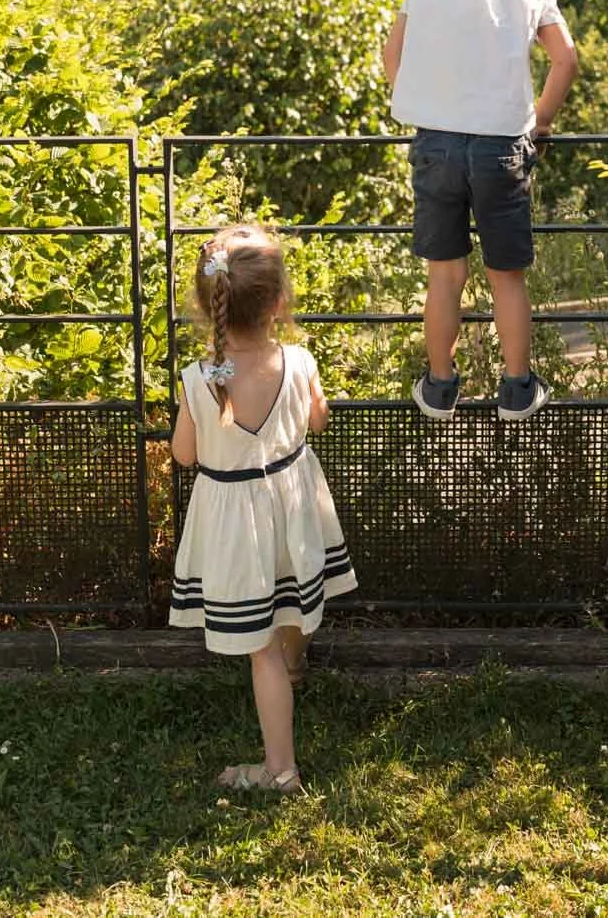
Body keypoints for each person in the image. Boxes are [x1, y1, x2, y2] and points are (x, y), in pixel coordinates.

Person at [169, 224, 355, 794]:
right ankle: (294, 668)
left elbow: (183, 455)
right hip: (292, 510)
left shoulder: (205, 377)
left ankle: (280, 771)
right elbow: (317, 420)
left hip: (235, 525)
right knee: (294, 595)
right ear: (279, 302)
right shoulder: (298, 362)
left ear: (209, 305)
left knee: (262, 653)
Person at [381, 0, 580, 422]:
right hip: (502, 147)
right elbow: (566, 58)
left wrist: (424, 103)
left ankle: (440, 387)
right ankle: (517, 389)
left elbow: (391, 56)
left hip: (437, 143)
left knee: (444, 276)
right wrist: (541, 119)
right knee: (506, 276)